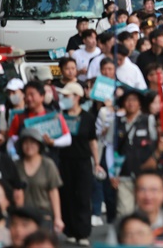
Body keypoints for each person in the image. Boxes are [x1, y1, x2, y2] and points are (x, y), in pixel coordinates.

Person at [56, 82, 101, 246]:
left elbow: (92, 141)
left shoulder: (88, 117)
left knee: (82, 196)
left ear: (77, 97)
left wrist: (96, 162)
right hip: (64, 160)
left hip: (82, 162)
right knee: (66, 195)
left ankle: (83, 232)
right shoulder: (60, 115)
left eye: (67, 96)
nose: (64, 98)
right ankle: (70, 230)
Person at [110, 88, 157, 217]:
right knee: (124, 213)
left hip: (144, 174)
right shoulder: (117, 122)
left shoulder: (149, 120)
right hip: (123, 174)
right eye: (127, 100)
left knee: (145, 212)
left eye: (134, 100)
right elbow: (110, 147)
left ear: (140, 103)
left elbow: (156, 144)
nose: (131, 103)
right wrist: (111, 173)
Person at [14, 128, 64, 233]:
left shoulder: (48, 165)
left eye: (32, 142)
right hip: (24, 214)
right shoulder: (16, 165)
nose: (29, 146)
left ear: (39, 145)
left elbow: (54, 192)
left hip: (44, 215)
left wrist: (58, 218)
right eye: (25, 142)